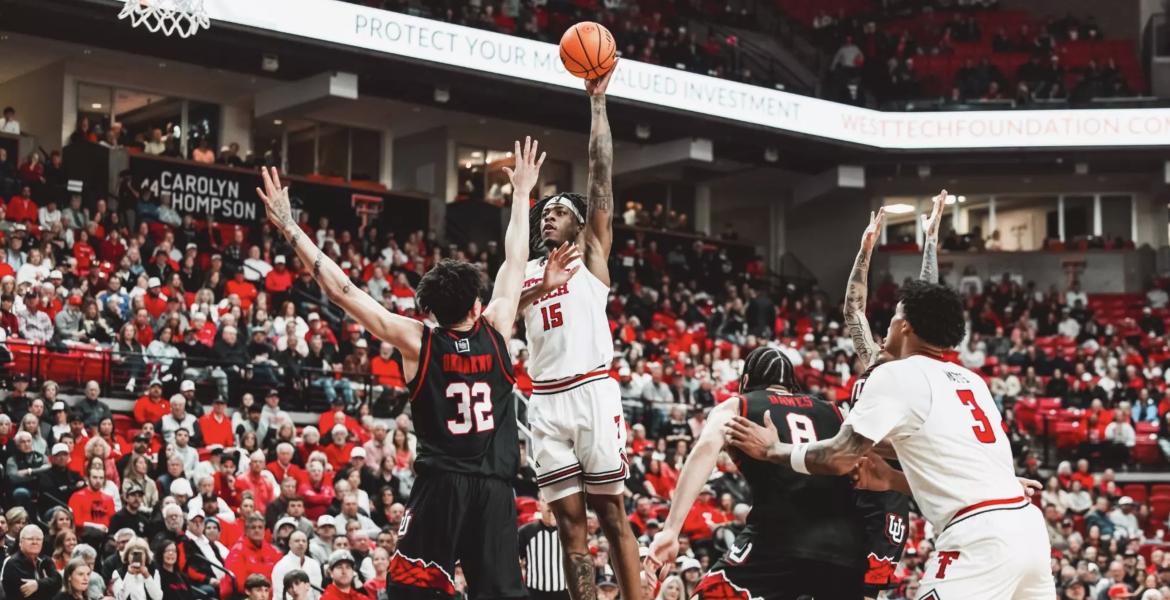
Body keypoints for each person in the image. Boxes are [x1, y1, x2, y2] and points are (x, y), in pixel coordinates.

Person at [257, 134, 537, 599]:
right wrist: (522, 192)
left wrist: (290, 227)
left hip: (441, 485)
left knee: (410, 589)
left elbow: (343, 291)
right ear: (476, 305)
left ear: (432, 310)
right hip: (493, 488)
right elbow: (516, 259)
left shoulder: (417, 340)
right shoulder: (497, 327)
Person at [726, 280, 1055, 599]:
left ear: (905, 326)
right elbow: (947, 460)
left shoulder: (896, 373)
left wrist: (775, 449)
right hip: (1028, 529)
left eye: (895, 316)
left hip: (980, 539)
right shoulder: (972, 381)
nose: (889, 325)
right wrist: (891, 479)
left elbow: (839, 457)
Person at [516, 62, 641, 600]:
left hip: (591, 389)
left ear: (580, 223)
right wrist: (538, 288)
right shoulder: (524, 270)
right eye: (546, 211)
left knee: (611, 514)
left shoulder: (591, 256)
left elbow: (600, 172)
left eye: (561, 210)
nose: (550, 215)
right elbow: (499, 314)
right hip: (545, 400)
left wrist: (597, 103)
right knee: (570, 529)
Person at [645, 347, 872, 598]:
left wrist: (671, 529)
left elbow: (705, 449)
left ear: (745, 381)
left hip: (776, 540)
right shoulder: (837, 412)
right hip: (846, 548)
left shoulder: (738, 406)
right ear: (792, 386)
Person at [839, 192, 946, 598]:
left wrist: (930, 240)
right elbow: (853, 309)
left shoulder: (911, 367)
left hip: (886, 485)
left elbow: (926, 301)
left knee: (871, 587)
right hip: (849, 477)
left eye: (899, 320)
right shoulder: (872, 359)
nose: (889, 325)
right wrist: (864, 251)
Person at [1, 526, 60, 600]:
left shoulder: (46, 560)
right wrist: (48, 582)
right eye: (30, 539)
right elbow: (27, 593)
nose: (35, 542)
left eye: (38, 539)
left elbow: (58, 582)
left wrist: (38, 584)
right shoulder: (13, 563)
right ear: (20, 542)